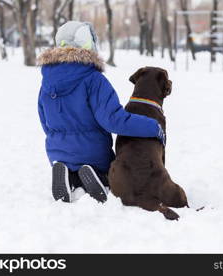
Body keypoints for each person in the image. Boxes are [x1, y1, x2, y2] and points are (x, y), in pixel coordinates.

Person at [37, 21, 165, 203]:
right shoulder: (93, 79)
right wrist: (153, 126)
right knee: (112, 173)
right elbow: (113, 120)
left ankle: (69, 176)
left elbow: (44, 120)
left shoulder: (47, 81)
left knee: (71, 164)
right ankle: (99, 176)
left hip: (57, 152)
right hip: (93, 152)